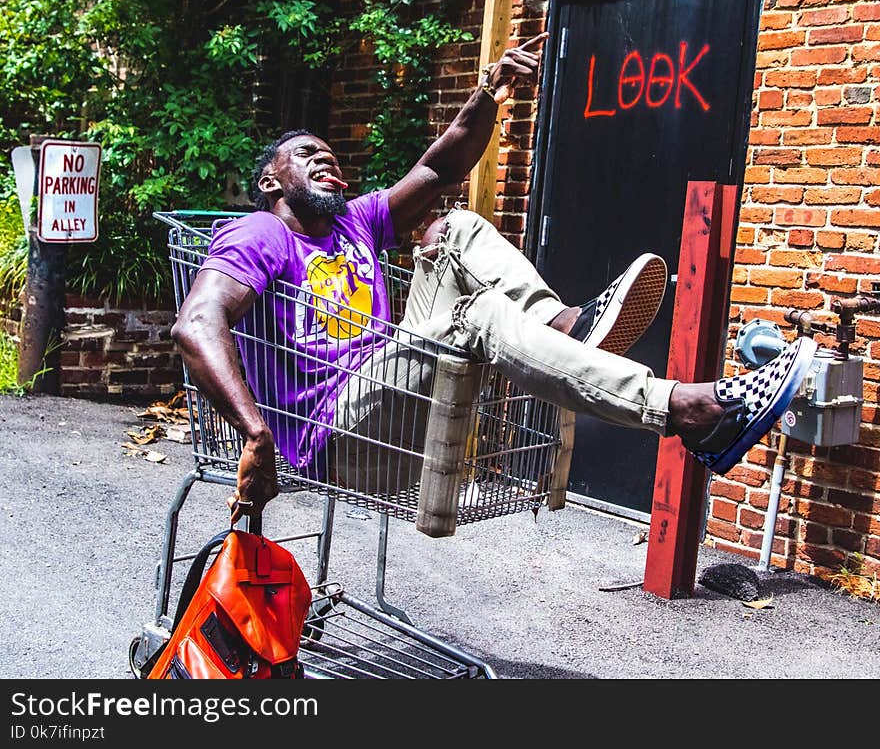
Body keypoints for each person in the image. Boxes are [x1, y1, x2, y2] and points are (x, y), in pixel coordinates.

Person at [171, 33, 816, 524]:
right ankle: (683, 408)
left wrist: (489, 93)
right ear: (270, 182)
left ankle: (570, 326)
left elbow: (439, 164)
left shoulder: (356, 223)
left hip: (400, 400)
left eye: (337, 161)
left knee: (455, 228)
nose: (330, 167)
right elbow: (197, 323)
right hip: (337, 430)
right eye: (311, 158)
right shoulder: (260, 233)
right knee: (474, 317)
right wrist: (256, 432)